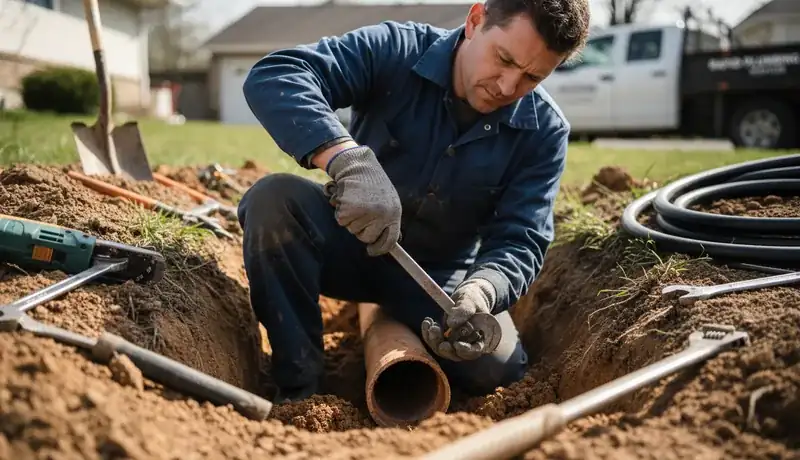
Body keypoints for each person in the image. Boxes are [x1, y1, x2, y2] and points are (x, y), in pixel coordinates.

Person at [238, 0, 590, 403]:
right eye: (504, 59)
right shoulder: (397, 50)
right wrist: (346, 159)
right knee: (274, 200)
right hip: (345, 242)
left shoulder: (543, 131)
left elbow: (521, 238)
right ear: (475, 20)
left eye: (531, 77)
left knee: (496, 368)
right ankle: (298, 387)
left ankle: (417, 319)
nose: (508, 87)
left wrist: (482, 291)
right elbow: (277, 75)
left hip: (436, 280)